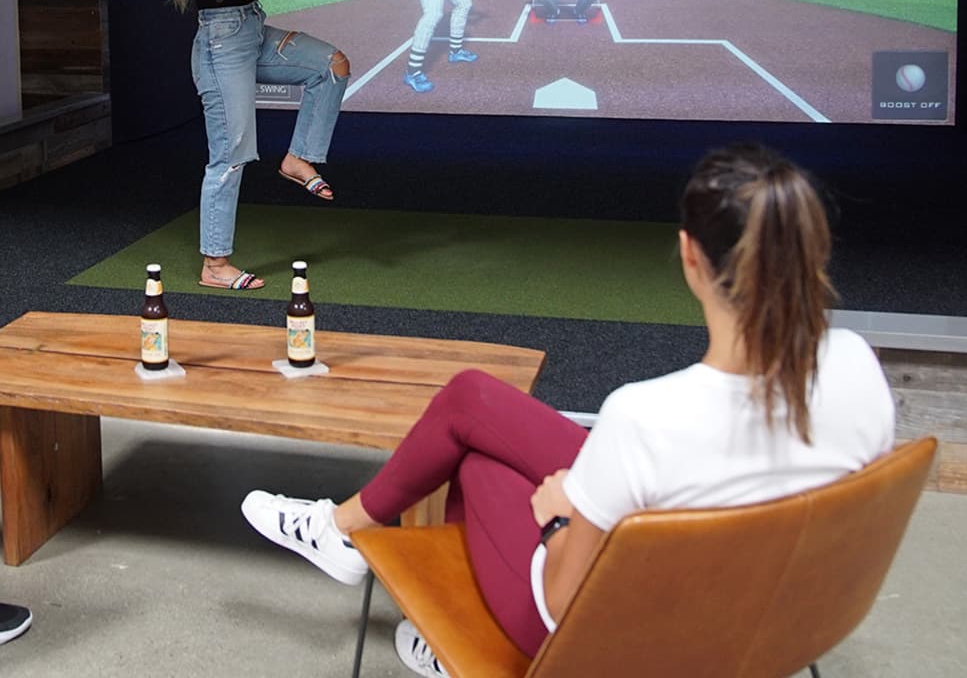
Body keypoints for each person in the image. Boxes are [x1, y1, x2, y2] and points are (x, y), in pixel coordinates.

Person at [241, 143, 895, 676]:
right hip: (771, 620)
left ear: (690, 256)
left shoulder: (646, 417)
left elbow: (561, 602)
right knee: (472, 399)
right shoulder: (858, 366)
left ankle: (410, 603)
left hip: (617, 645)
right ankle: (344, 529)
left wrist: (559, 518)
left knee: (474, 461)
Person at [163, 0, 351, 290]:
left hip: (250, 31)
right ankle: (215, 264)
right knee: (229, 157)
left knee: (332, 65)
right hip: (222, 44)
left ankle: (298, 158)